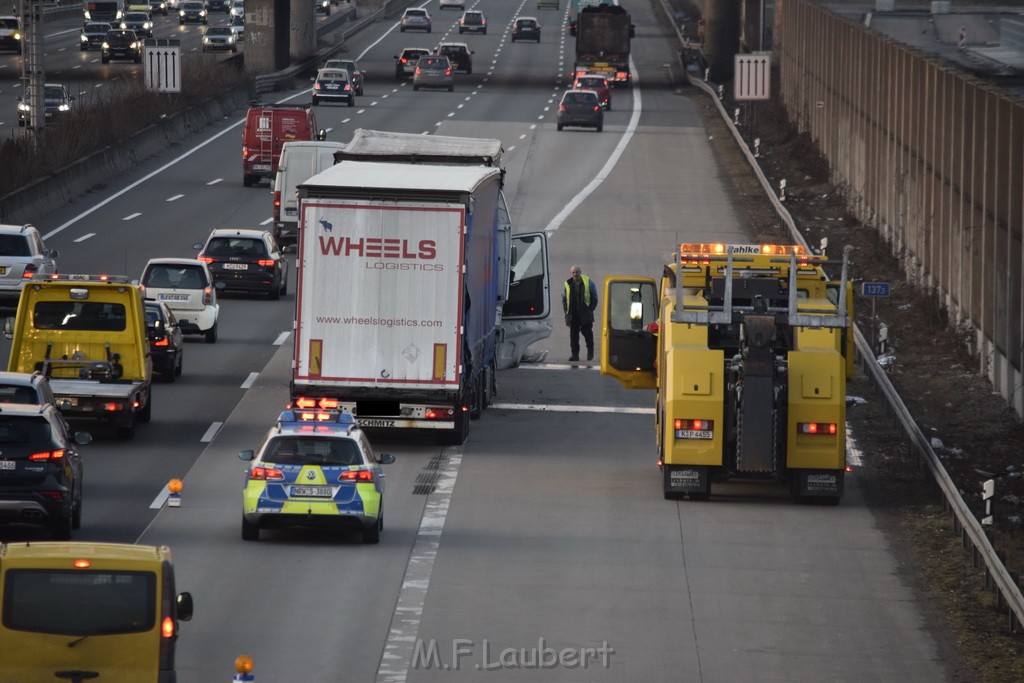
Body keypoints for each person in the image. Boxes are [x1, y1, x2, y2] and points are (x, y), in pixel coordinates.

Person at [562, 265, 598, 362]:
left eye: (577, 272)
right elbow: (564, 299)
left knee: (588, 333)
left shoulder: (587, 281)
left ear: (580, 272)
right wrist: (566, 312)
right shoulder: (568, 283)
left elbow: (594, 297)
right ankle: (575, 355)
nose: (575, 274)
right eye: (573, 272)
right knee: (574, 336)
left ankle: (590, 351)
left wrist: (590, 309)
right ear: (571, 273)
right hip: (573, 314)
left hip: (585, 313)